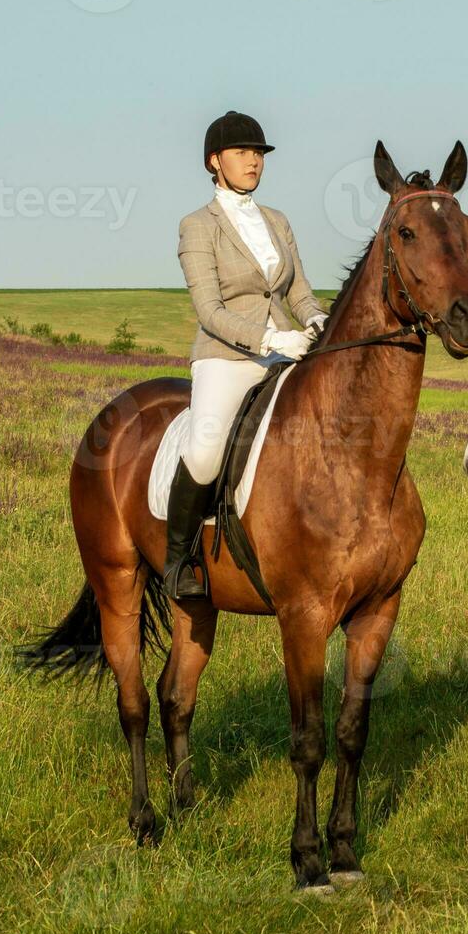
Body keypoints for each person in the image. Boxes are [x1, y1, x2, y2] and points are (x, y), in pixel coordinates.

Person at [164, 111, 329, 598]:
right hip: (226, 357)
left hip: (284, 352)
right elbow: (210, 311)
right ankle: (178, 562)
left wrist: (318, 321)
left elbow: (298, 294)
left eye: (258, 152)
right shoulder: (197, 226)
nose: (253, 160)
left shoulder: (278, 222)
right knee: (206, 447)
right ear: (215, 162)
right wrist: (271, 340)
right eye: (241, 152)